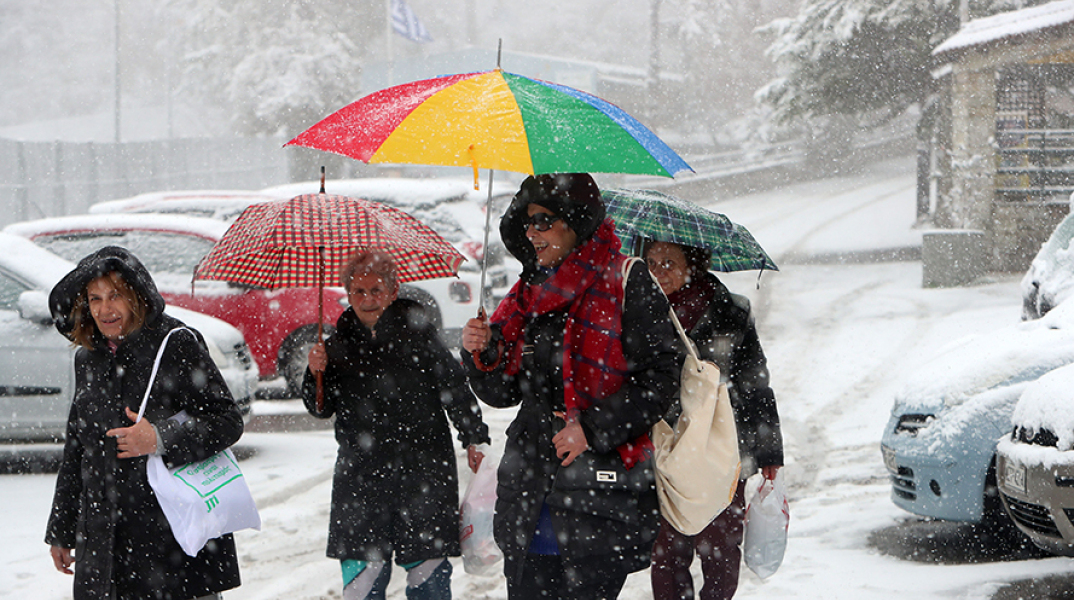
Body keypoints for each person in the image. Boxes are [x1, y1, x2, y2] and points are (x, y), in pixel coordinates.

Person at [460, 173, 683, 600]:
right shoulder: (528, 292)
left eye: (543, 220)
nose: (531, 232)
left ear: (576, 222)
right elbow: (502, 394)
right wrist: (483, 353)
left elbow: (660, 380)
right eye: (526, 222)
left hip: (597, 497)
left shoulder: (625, 281)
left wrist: (592, 429)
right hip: (529, 491)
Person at [44, 246, 244, 600]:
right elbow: (77, 448)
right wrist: (60, 530)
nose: (105, 309)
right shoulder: (88, 358)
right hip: (105, 545)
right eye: (94, 298)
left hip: (172, 543)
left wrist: (159, 437)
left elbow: (226, 420)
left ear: (136, 296)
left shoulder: (176, 344)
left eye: (115, 296)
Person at [303, 251, 490, 600]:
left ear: (393, 291)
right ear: (348, 293)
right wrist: (316, 373)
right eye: (358, 292)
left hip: (424, 473)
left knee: (429, 582)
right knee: (361, 585)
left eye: (376, 290)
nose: (368, 300)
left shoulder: (419, 335)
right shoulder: (336, 346)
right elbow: (320, 407)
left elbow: (454, 388)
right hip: (361, 479)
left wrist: (474, 437)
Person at [643, 240, 784, 600]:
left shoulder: (730, 311)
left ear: (693, 265)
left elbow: (755, 382)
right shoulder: (637, 310)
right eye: (651, 262)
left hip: (721, 447)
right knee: (667, 552)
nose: (658, 271)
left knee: (720, 548)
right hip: (665, 446)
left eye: (669, 262)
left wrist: (769, 452)